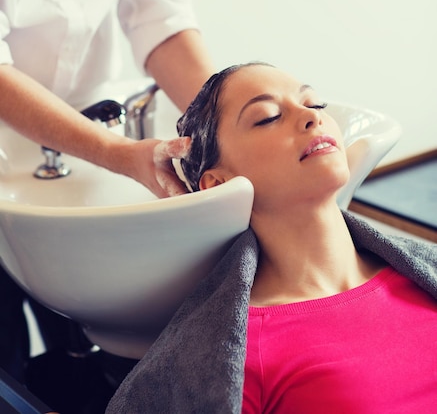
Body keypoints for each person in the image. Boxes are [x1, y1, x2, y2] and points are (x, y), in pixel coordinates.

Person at [0, 0, 214, 389]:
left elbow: (159, 13)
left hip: (87, 142)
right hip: (76, 148)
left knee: (101, 366)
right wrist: (118, 155)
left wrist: (228, 118)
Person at [106, 62, 437, 413]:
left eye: (314, 103)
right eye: (267, 117)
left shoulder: (419, 276)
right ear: (218, 183)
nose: (312, 117)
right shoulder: (238, 355)